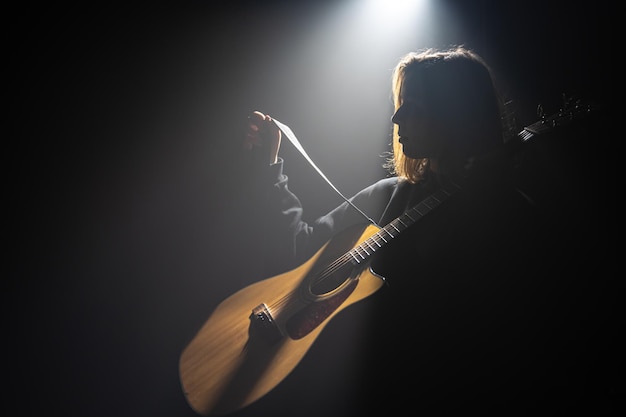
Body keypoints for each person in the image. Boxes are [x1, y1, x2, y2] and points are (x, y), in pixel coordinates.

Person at [222, 46, 613, 416]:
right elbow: (301, 250)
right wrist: (270, 168)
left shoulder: (512, 215)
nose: (396, 119)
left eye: (413, 107)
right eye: (399, 106)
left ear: (454, 114)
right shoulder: (387, 195)